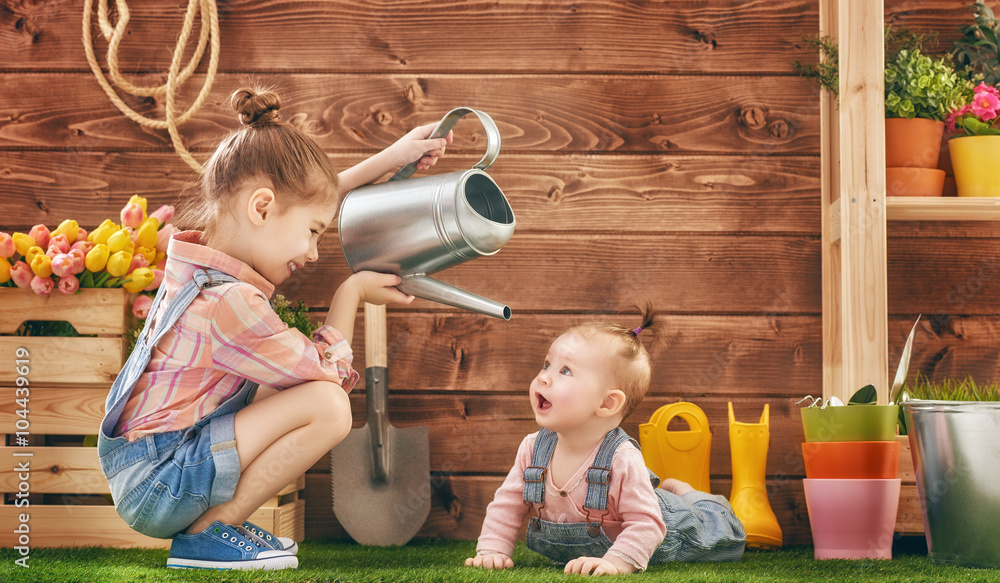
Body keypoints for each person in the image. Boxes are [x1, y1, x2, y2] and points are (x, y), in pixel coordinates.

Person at [97, 85, 452, 571]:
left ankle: (215, 524)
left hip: (151, 470)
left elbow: (300, 201)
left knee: (281, 387)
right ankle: (209, 531)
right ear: (261, 208)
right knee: (326, 405)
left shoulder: (197, 267)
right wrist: (351, 293)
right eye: (313, 233)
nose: (314, 252)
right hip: (161, 483)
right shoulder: (231, 302)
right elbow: (326, 374)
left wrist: (392, 157)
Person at [465, 304, 746, 575]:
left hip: (675, 528)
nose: (544, 378)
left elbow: (647, 523)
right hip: (636, 514)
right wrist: (493, 549)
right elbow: (507, 504)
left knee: (724, 533)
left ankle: (691, 497)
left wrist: (617, 562)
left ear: (608, 403)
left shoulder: (621, 458)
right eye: (547, 364)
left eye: (565, 371)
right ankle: (676, 492)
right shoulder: (532, 449)